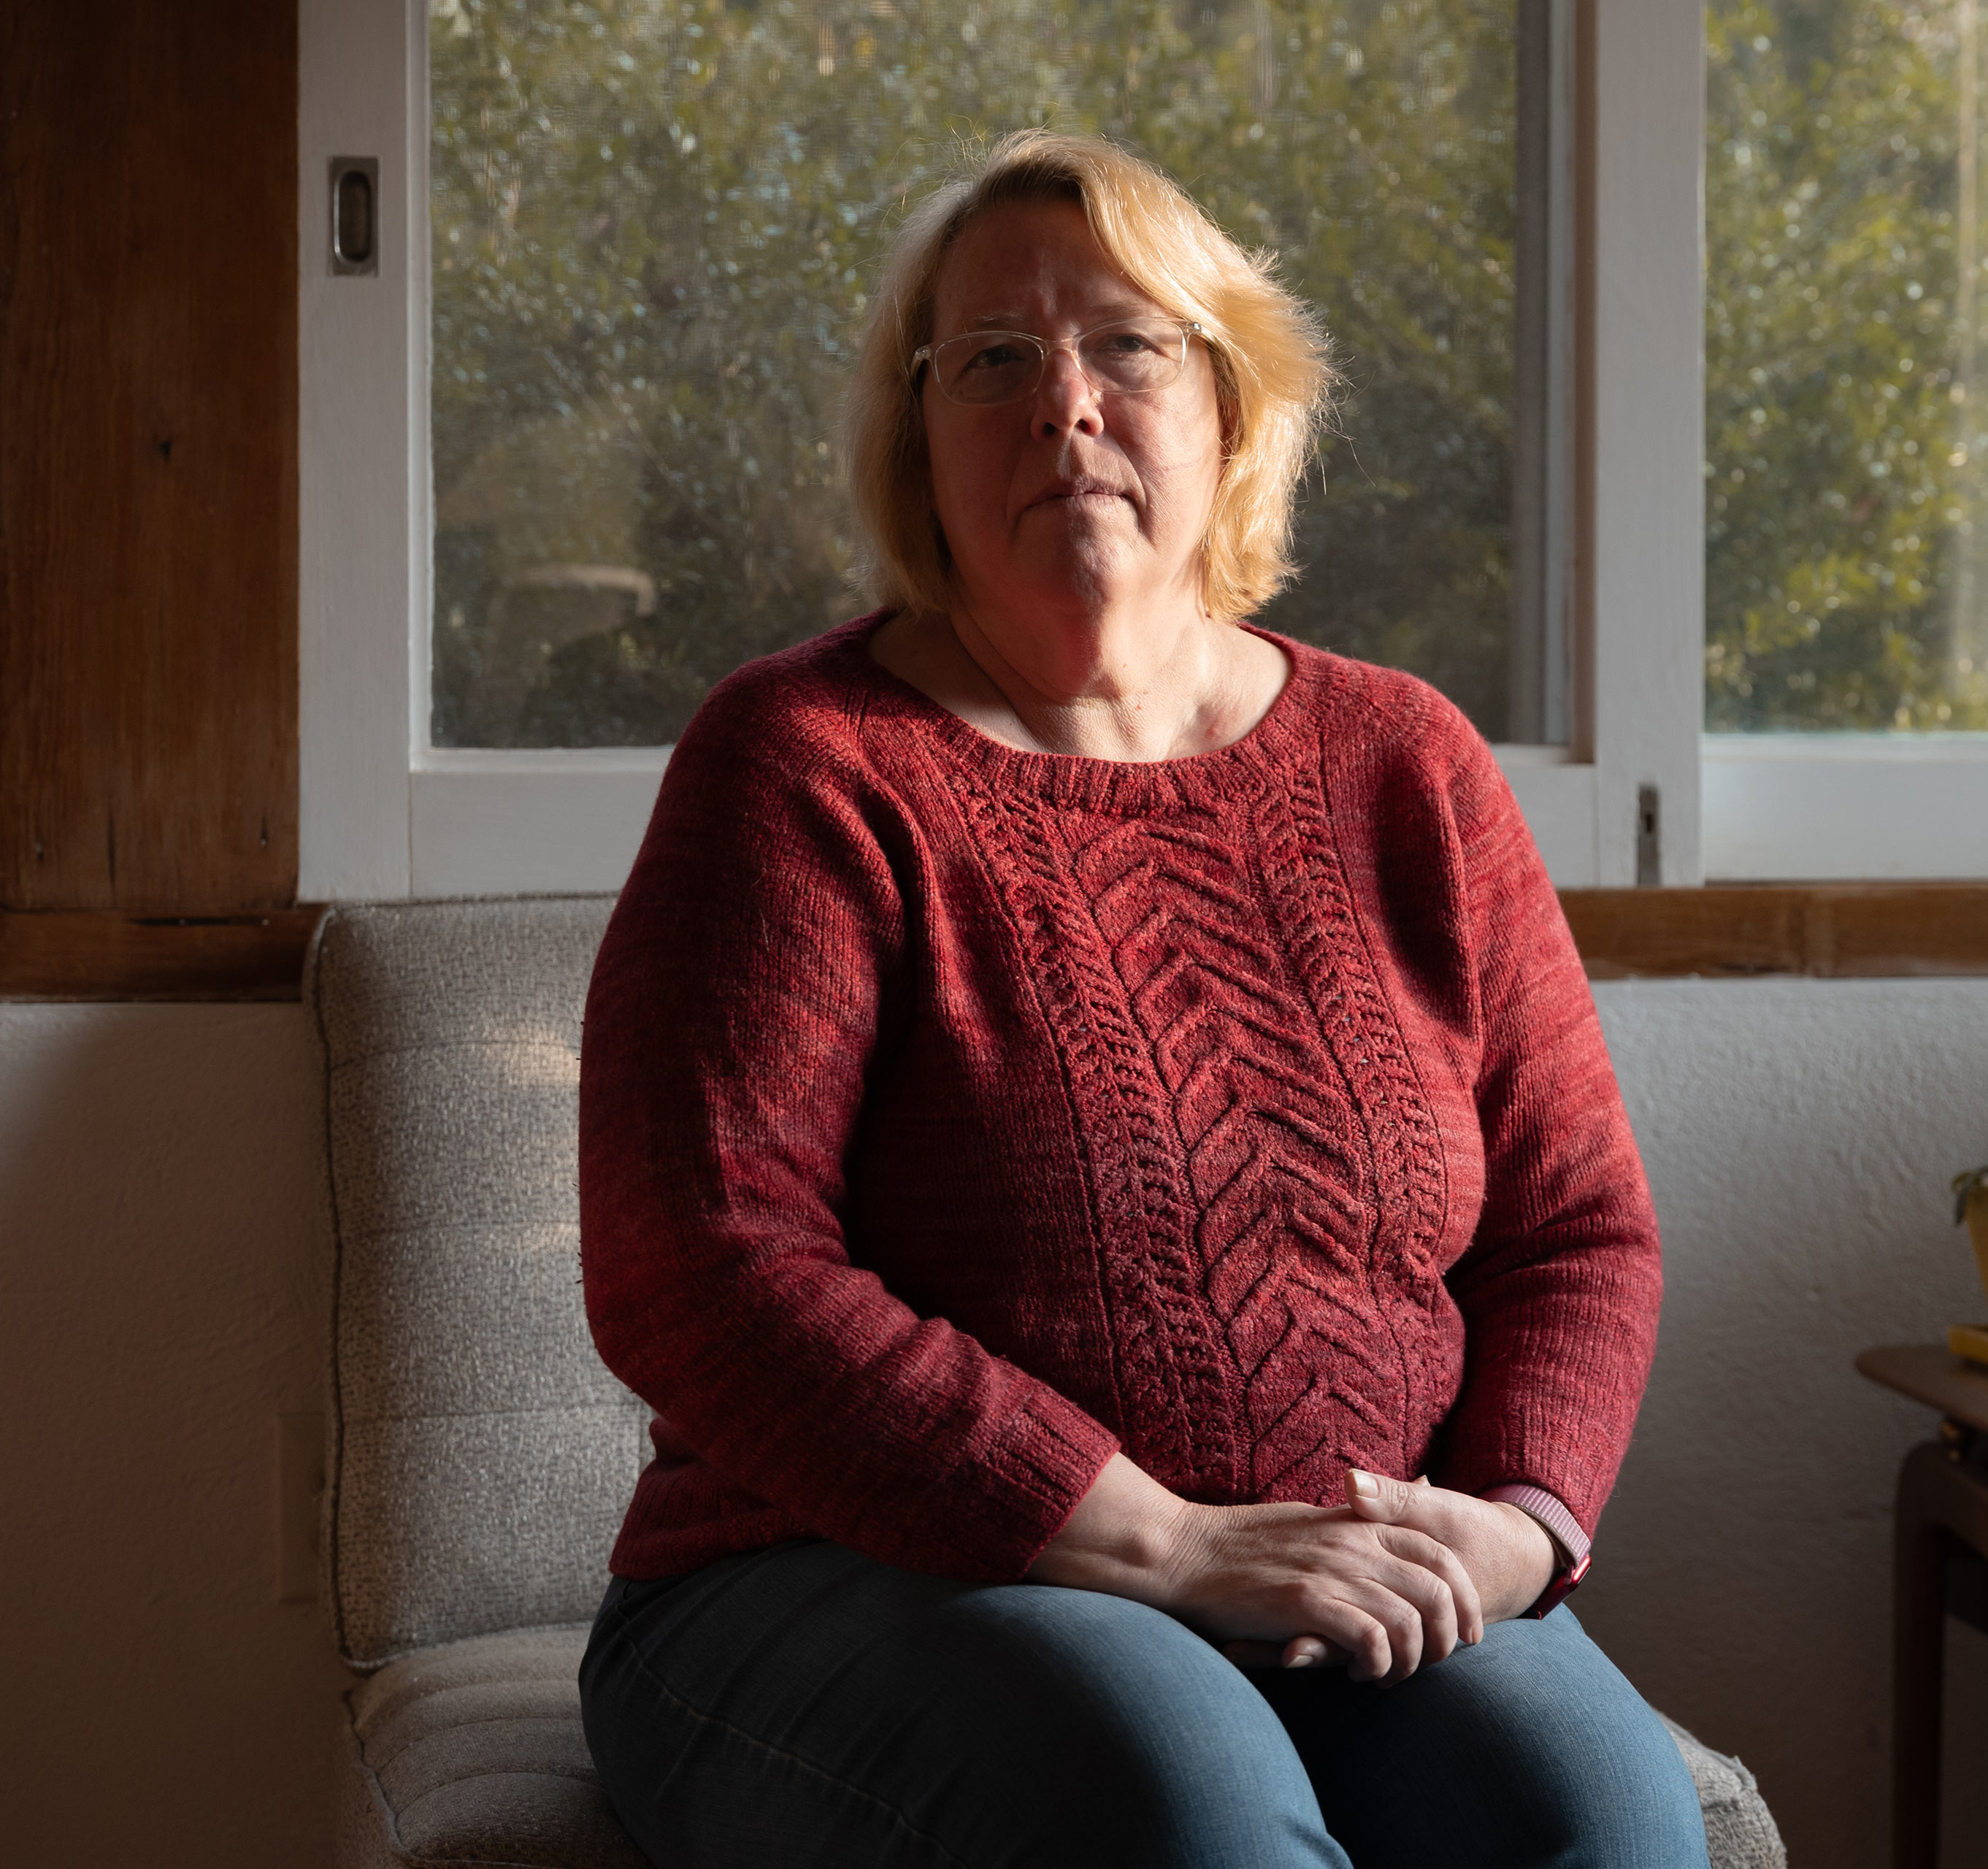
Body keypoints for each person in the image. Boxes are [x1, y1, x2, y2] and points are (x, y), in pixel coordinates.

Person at [574, 128, 1705, 1869]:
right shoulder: (804, 764)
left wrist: (1518, 1528)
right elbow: (700, 1262)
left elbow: (1577, 1229)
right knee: (1174, 1806)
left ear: (1233, 407)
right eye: (997, 361)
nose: (1065, 404)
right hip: (842, 1577)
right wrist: (1161, 1540)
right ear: (920, 441)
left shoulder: (1406, 765)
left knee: (1600, 1819)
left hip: (1356, 1576)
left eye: (1126, 343)